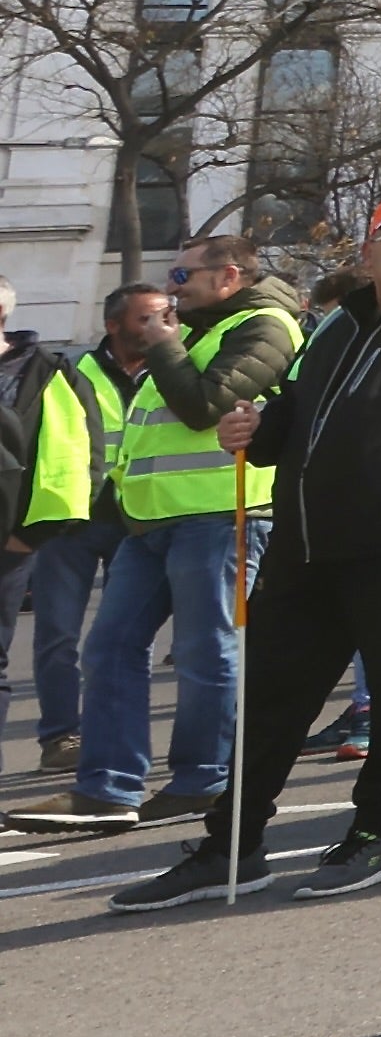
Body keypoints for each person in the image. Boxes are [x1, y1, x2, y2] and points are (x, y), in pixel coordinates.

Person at [110, 191, 381, 908]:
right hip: (307, 543)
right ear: (367, 252)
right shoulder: (336, 324)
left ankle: (378, 834)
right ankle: (233, 847)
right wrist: (259, 429)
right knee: (271, 699)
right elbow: (299, 412)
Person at [8, 238, 301, 837]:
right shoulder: (197, 328)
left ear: (228, 276)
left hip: (220, 514)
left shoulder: (265, 326)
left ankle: (203, 779)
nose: (173, 287)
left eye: (182, 274)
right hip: (150, 520)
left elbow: (205, 406)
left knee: (204, 652)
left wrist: (166, 343)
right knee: (108, 648)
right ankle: (108, 789)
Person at [8, 286, 147, 772]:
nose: (158, 326)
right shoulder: (74, 370)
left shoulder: (171, 371)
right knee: (57, 635)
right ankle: (60, 737)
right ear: (113, 325)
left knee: (125, 638)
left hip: (139, 519)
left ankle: (115, 732)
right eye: (145, 318)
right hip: (75, 523)